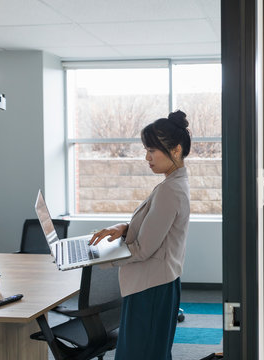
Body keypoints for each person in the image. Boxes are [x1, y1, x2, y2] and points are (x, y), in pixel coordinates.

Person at [89, 110, 191, 360]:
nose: (147, 157)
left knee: (141, 354)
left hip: (151, 289)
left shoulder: (170, 190)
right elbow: (157, 228)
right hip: (154, 284)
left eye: (152, 150)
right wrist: (124, 227)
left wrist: (97, 258)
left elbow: (144, 249)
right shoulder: (173, 183)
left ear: (175, 150)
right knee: (149, 352)